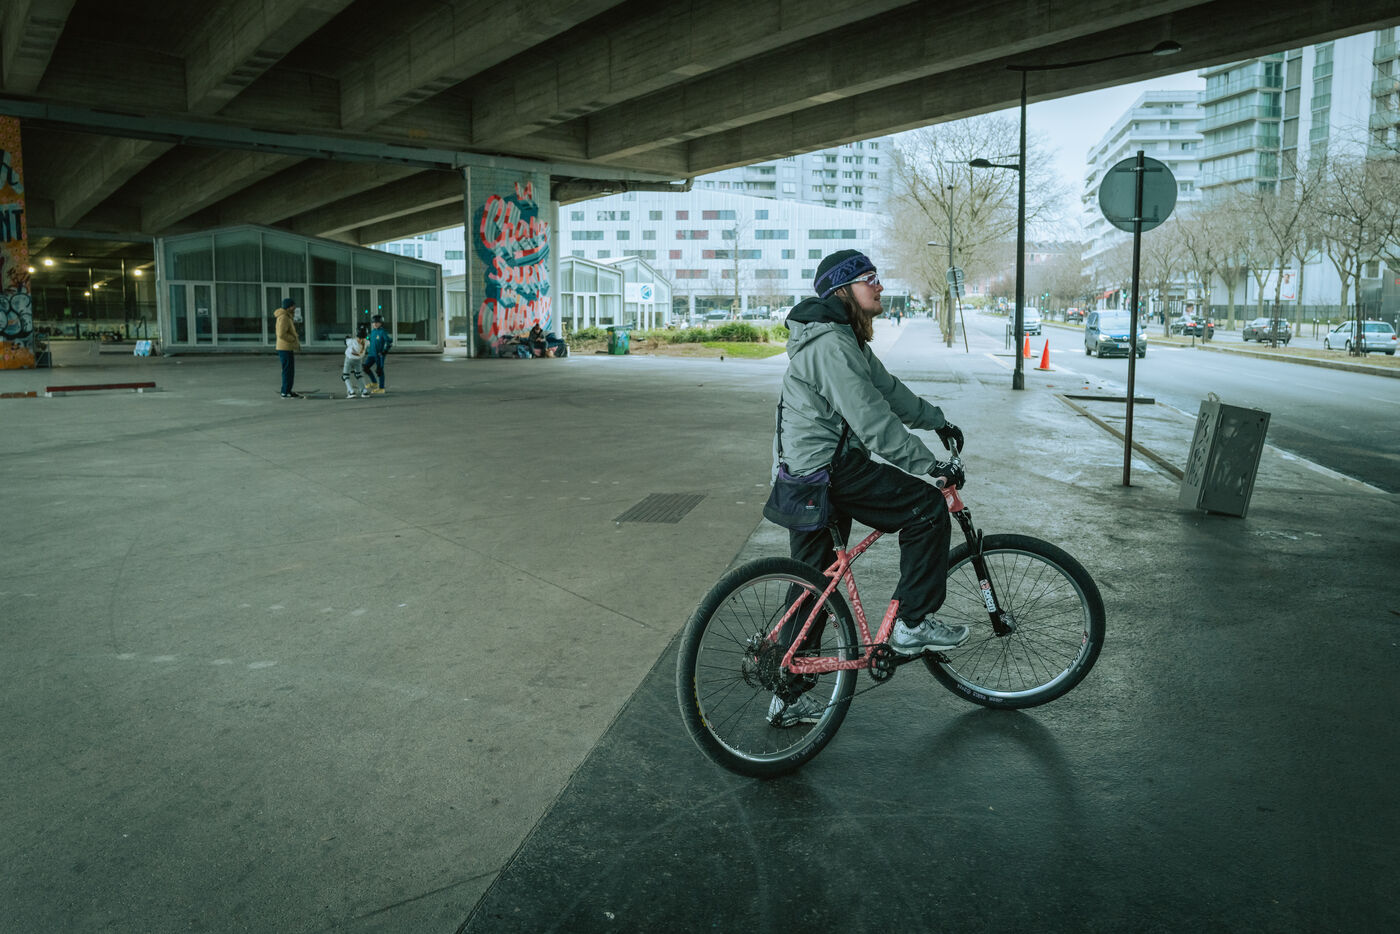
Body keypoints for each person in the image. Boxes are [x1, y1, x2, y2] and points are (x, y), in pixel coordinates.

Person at [769, 249, 968, 727]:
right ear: (843, 289)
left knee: (813, 586)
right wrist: (931, 466)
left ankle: (786, 695)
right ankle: (911, 623)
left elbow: (888, 390)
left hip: (806, 475)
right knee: (926, 510)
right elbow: (874, 421)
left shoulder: (843, 339)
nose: (879, 286)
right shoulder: (832, 346)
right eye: (869, 278)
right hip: (829, 471)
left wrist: (936, 421)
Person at [274, 298, 302, 398]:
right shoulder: (284, 317)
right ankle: (285, 391)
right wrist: (292, 339)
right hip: (284, 348)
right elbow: (281, 334)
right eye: (293, 306)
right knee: (287, 370)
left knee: (289, 370)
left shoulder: (287, 316)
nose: (294, 307)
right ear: (289, 307)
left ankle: (287, 390)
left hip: (286, 347)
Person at [364, 315, 393, 393]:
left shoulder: (382, 332)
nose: (375, 324)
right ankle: (374, 383)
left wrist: (384, 351)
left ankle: (381, 388)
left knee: (379, 370)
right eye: (373, 323)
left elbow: (389, 342)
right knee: (366, 368)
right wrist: (365, 337)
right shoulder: (373, 331)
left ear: (381, 323)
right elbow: (370, 338)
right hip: (371, 354)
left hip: (379, 355)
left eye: (377, 322)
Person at [343, 325, 371, 398]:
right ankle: (364, 391)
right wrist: (367, 338)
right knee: (359, 375)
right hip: (358, 360)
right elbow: (368, 340)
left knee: (345, 376)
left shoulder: (352, 341)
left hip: (349, 359)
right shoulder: (366, 342)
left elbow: (346, 341)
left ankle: (351, 392)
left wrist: (347, 337)